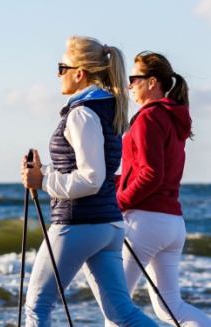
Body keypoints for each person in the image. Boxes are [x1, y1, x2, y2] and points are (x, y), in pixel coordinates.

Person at [21, 36, 157, 326]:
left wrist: (43, 182)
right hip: (107, 225)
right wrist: (43, 171)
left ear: (79, 73)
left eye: (62, 67)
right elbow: (90, 168)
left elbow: (91, 178)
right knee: (121, 313)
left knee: (37, 307)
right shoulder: (107, 108)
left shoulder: (82, 113)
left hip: (78, 223)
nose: (58, 74)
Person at [110, 51, 211, 326]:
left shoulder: (148, 118)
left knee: (115, 307)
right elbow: (148, 172)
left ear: (152, 81)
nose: (130, 85)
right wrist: (111, 182)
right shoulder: (172, 118)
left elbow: (151, 175)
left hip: (145, 223)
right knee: (170, 308)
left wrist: (117, 203)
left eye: (134, 78)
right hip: (172, 224)